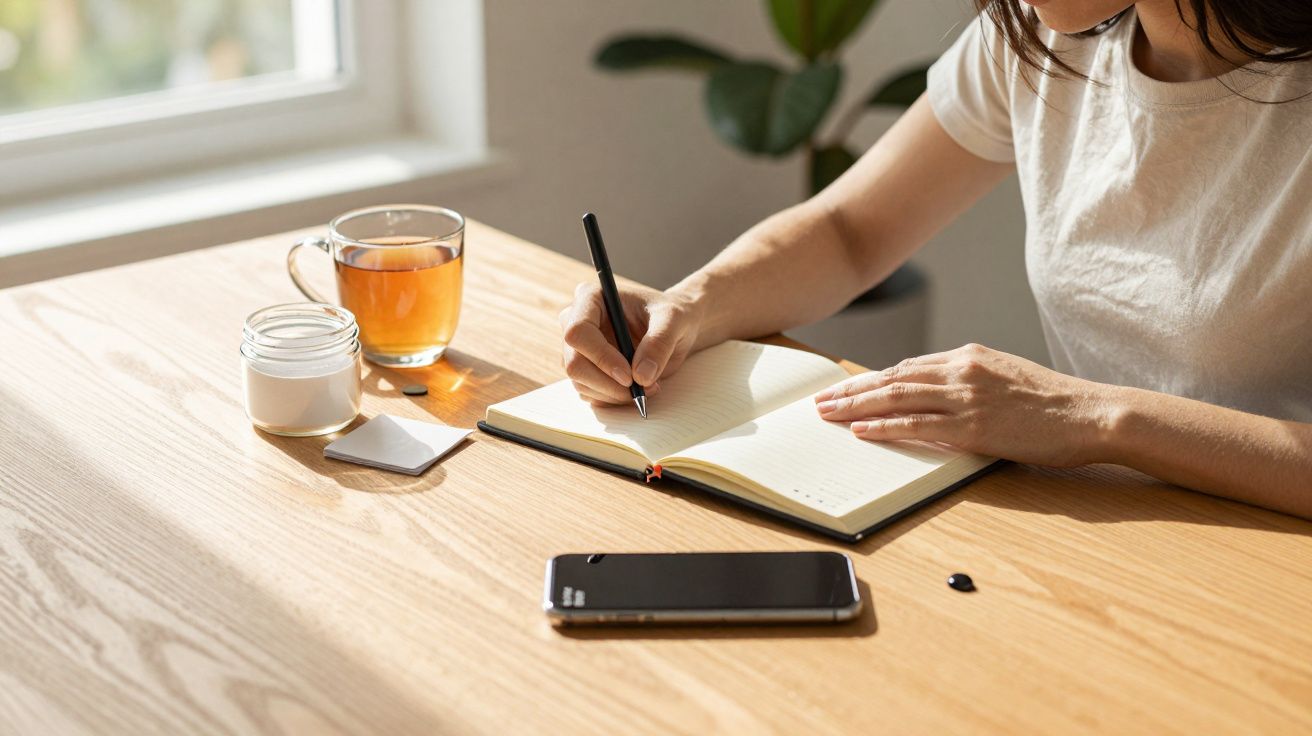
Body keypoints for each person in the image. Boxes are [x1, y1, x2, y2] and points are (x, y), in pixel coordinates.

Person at [558, 0, 1312, 519]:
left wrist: (1091, 418)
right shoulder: (1042, 39)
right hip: (1108, 529)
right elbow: (852, 229)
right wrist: (684, 308)